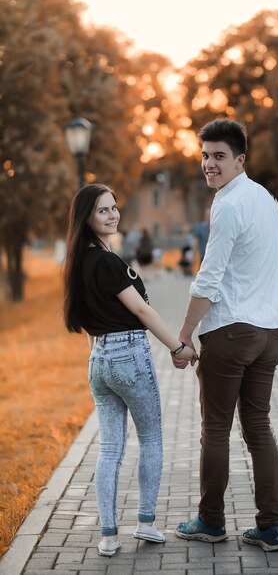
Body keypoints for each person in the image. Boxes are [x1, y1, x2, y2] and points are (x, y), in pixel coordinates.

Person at [171, 119, 278, 552]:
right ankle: (270, 528)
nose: (209, 164)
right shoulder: (266, 199)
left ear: (240, 160)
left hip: (231, 333)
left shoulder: (228, 204)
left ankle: (211, 520)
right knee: (258, 427)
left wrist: (184, 336)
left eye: (219, 156)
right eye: (204, 155)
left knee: (216, 429)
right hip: (269, 333)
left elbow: (208, 279)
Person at [63, 184, 196, 558]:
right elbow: (142, 311)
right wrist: (179, 346)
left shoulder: (79, 262)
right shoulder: (107, 262)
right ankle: (146, 523)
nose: (113, 214)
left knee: (110, 447)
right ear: (87, 217)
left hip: (99, 359)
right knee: (151, 437)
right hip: (129, 355)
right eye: (103, 210)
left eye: (114, 207)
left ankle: (108, 535)